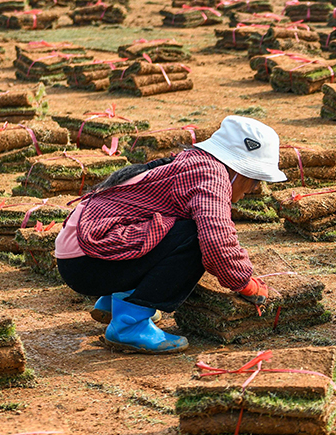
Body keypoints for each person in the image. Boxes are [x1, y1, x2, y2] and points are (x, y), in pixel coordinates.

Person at [55, 115, 286, 353]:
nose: (254, 189)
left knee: (177, 227)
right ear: (240, 169)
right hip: (88, 262)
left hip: (82, 254)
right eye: (255, 180)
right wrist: (245, 283)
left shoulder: (195, 162)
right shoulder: (212, 176)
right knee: (195, 236)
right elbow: (217, 242)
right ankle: (128, 326)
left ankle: (116, 303)